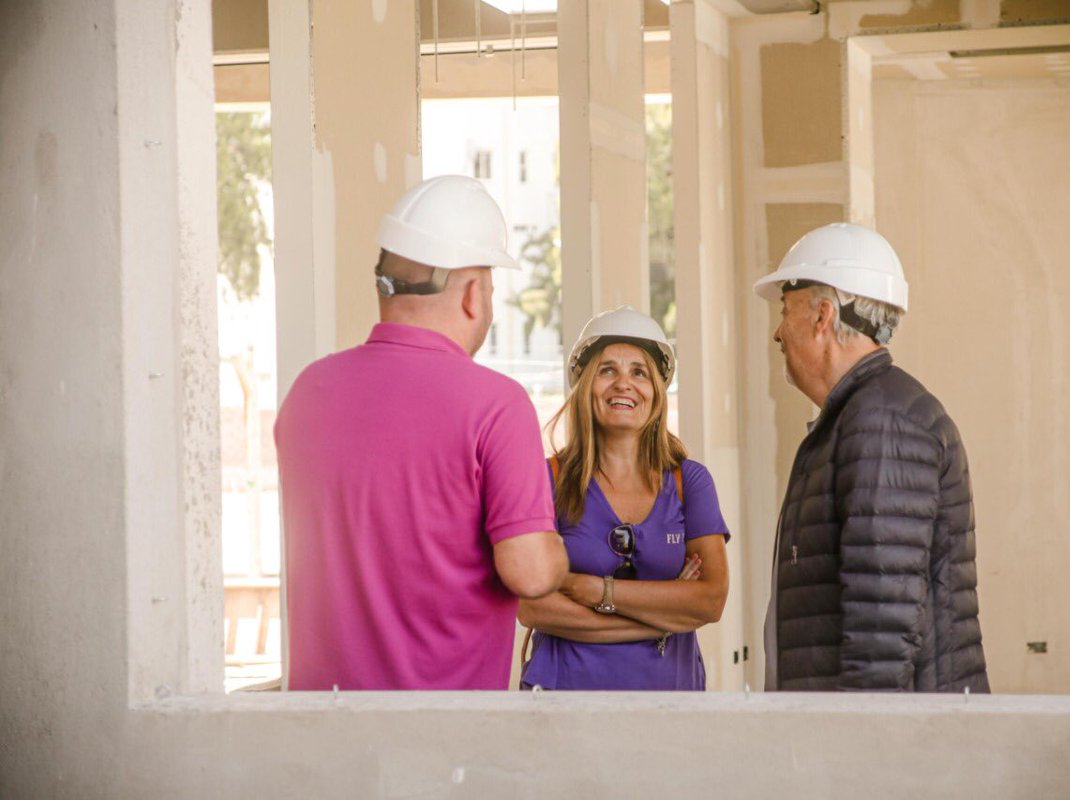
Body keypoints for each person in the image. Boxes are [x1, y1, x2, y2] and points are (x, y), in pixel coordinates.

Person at [275, 175, 567, 690]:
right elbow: (531, 574)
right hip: (445, 740)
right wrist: (558, 546)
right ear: (475, 294)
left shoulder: (307, 392)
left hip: (319, 732)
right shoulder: (496, 405)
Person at [753, 222, 989, 692]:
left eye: (785, 310)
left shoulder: (881, 423)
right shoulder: (860, 417)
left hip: (886, 746)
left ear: (822, 316)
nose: (778, 333)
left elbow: (882, 621)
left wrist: (865, 744)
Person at [518, 306, 731, 690]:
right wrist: (664, 611)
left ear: (657, 392)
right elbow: (532, 606)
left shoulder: (690, 482)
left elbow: (710, 601)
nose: (624, 384)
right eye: (607, 370)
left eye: (639, 372)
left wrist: (597, 591)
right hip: (564, 701)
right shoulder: (547, 479)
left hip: (670, 703)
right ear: (585, 386)